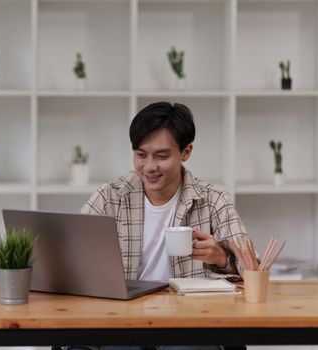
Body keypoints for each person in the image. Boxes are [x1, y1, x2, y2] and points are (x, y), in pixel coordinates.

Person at [77, 101, 249, 350]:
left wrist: (221, 258)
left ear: (186, 152)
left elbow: (252, 268)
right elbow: (73, 254)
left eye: (161, 156)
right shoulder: (110, 196)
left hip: (190, 322)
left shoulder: (213, 199)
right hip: (122, 321)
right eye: (141, 154)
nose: (149, 167)